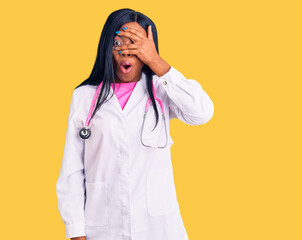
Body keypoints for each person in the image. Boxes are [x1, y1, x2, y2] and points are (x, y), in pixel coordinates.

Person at [56, 8, 214, 240]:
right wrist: (76, 231)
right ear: (107, 46)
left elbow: (202, 113)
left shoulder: (162, 89)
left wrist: (157, 61)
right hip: (103, 227)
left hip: (159, 228)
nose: (127, 51)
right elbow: (72, 170)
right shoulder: (84, 97)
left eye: (136, 44)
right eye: (119, 42)